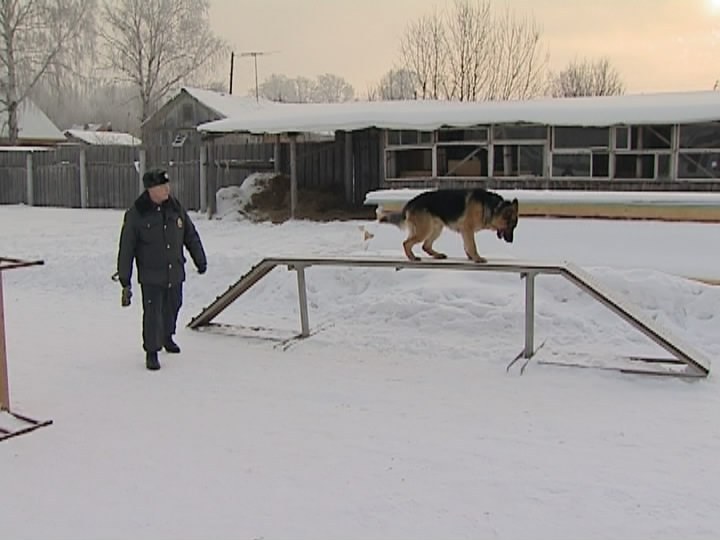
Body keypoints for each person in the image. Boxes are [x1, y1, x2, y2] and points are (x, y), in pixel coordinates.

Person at [116, 168, 207, 370]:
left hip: (174, 270)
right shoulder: (137, 214)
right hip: (151, 274)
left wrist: (199, 259)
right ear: (151, 189)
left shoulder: (175, 208)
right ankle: (152, 351)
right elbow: (126, 247)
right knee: (153, 314)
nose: (167, 189)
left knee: (173, 306)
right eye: (162, 186)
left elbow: (190, 235)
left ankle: (167, 336)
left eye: (168, 185)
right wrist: (125, 279)